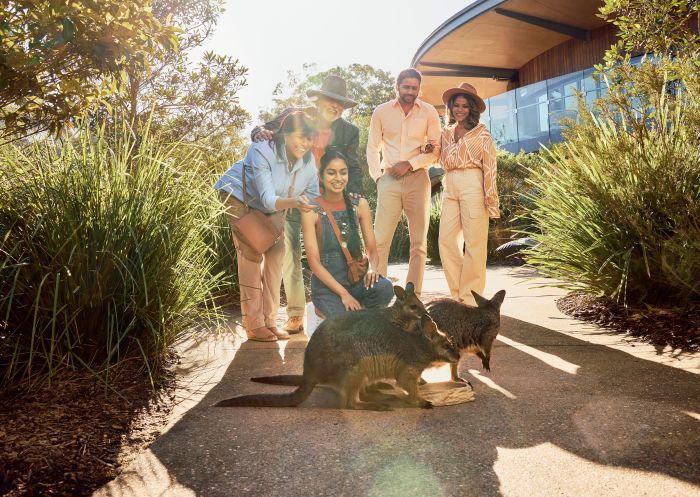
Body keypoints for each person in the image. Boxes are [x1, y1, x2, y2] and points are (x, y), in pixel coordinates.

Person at [251, 75, 361, 333]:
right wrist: (261, 132)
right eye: (331, 100)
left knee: (329, 255)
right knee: (290, 253)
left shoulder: (349, 131)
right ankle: (295, 314)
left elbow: (353, 168)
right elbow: (261, 129)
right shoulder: (296, 116)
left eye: (341, 104)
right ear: (320, 99)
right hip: (293, 195)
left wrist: (354, 196)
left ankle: (331, 307)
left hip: (325, 202)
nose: (335, 106)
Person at [216, 112, 320, 342]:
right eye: (300, 137)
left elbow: (313, 193)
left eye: (309, 139)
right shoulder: (262, 149)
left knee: (277, 255)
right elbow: (265, 198)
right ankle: (254, 325)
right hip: (239, 196)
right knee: (252, 254)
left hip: (276, 203)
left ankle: (270, 320)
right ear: (285, 133)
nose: (305, 144)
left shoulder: (307, 159)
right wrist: (295, 201)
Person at [366, 68, 441, 296]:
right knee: (380, 240)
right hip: (389, 178)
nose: (410, 92)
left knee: (418, 243)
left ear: (419, 89)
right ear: (397, 86)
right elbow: (372, 147)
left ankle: (413, 294)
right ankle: (379, 293)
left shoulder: (428, 112)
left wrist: (409, 163)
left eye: (415, 88)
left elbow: (435, 149)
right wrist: (379, 177)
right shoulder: (381, 111)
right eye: (406, 87)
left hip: (418, 178)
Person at [301, 150, 394, 317]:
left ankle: (360, 316)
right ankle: (330, 310)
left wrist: (372, 269)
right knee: (345, 322)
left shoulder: (360, 204)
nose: (338, 178)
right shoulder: (310, 210)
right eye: (331, 172)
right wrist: (344, 295)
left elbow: (371, 250)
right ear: (321, 177)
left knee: (385, 289)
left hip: (357, 281)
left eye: (343, 172)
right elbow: (314, 264)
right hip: (327, 288)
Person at [437, 82, 500, 306]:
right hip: (450, 184)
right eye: (456, 105)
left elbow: (490, 168)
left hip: (473, 183)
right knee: (445, 241)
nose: (460, 109)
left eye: (465, 105)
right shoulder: (445, 133)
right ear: (451, 107)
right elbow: (438, 157)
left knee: (474, 244)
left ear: (472, 108)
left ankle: (470, 299)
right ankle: (458, 294)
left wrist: (491, 201)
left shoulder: (482, 134)